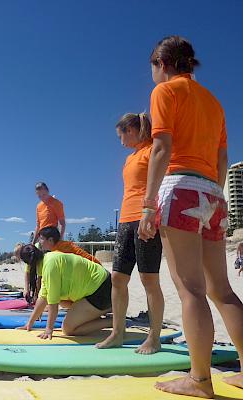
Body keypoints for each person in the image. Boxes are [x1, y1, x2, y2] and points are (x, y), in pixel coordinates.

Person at [138, 36, 243, 397]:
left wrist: (149, 205)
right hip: (213, 194)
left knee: (191, 291)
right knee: (222, 290)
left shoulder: (166, 92)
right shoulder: (213, 102)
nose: (153, 73)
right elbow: (222, 161)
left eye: (153, 66)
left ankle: (199, 381)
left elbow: (162, 148)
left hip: (180, 188)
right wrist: (211, 192)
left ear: (162, 63)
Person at [96, 113, 164, 355]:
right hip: (125, 220)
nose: (121, 141)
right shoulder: (130, 158)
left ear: (132, 130)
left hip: (145, 219)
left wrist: (151, 213)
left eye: (121, 135)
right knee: (117, 278)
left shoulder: (152, 150)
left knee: (149, 280)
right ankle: (117, 332)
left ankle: (154, 338)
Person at [18, 246, 112, 339]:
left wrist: (49, 329)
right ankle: (99, 313)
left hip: (102, 291)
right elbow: (43, 297)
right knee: (61, 301)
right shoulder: (48, 259)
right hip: (101, 286)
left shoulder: (50, 267)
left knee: (68, 329)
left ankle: (113, 321)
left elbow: (53, 304)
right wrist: (29, 324)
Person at [15, 228, 101, 303]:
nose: (39, 241)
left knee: (56, 295)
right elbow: (29, 273)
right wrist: (27, 290)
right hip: (93, 274)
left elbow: (41, 281)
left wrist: (40, 300)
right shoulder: (50, 250)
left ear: (50, 240)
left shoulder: (56, 252)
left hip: (95, 277)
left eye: (41, 239)